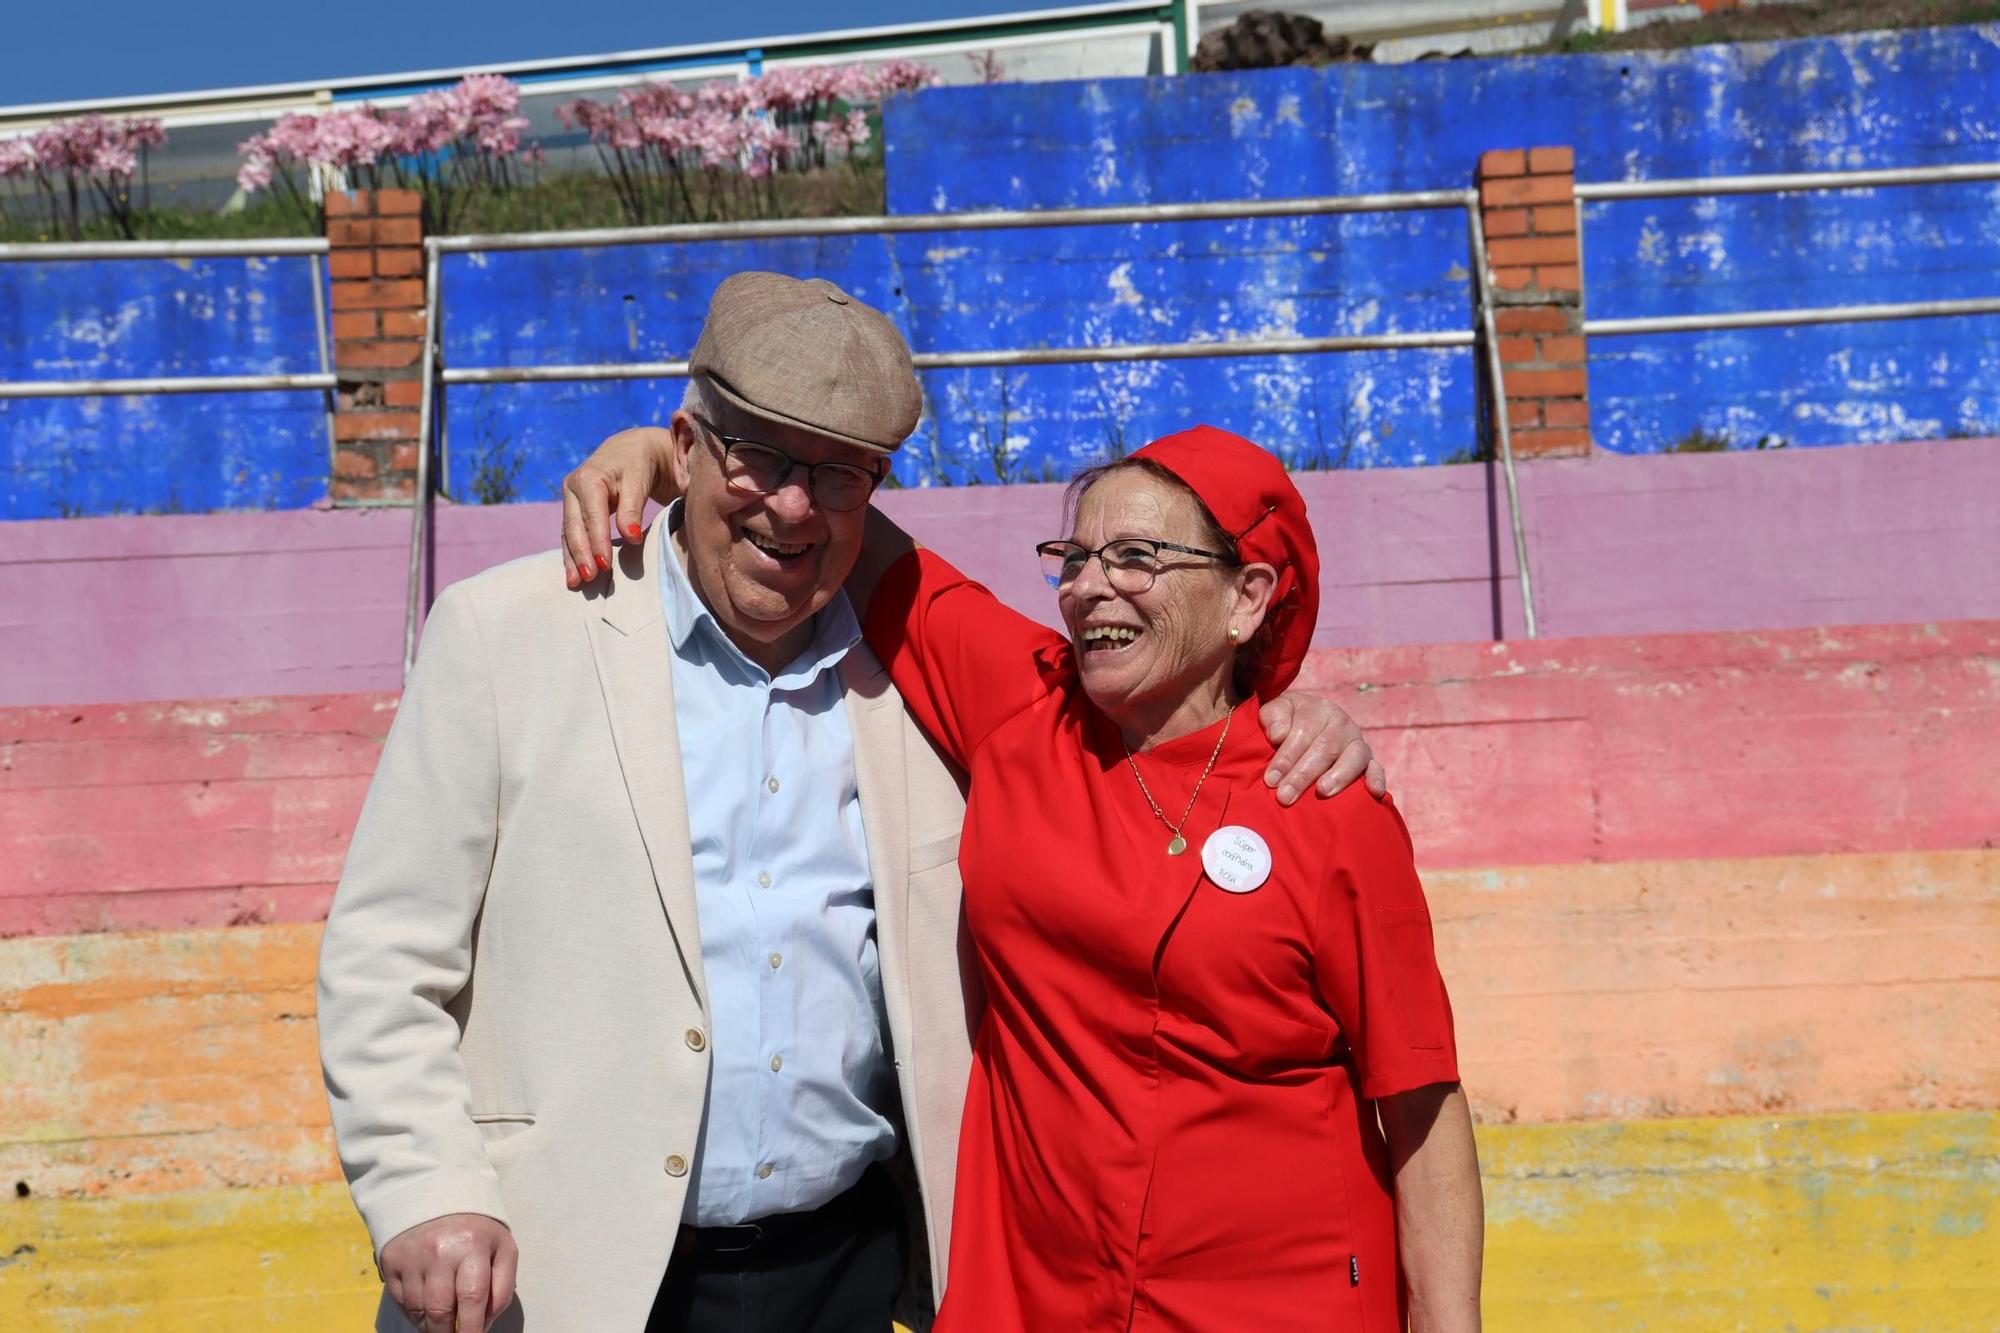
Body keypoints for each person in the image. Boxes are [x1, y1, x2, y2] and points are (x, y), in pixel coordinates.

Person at [319, 271, 1378, 1333]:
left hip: (848, 1271)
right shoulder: (506, 635)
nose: (790, 505)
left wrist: (1278, 711)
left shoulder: (923, 680)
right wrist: (424, 1190)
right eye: (760, 456)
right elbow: (385, 955)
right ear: (687, 448)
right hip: (562, 1265)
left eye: (836, 475)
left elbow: (1155, 699)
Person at [561, 420, 1484, 1331]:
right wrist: (664, 453)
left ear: (1246, 597)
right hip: (1042, 1297)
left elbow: (1420, 1104)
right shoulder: (1024, 705)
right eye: (1073, 558)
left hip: (1283, 1297)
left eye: (1134, 556)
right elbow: (858, 540)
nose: (1089, 588)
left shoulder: (1326, 805)